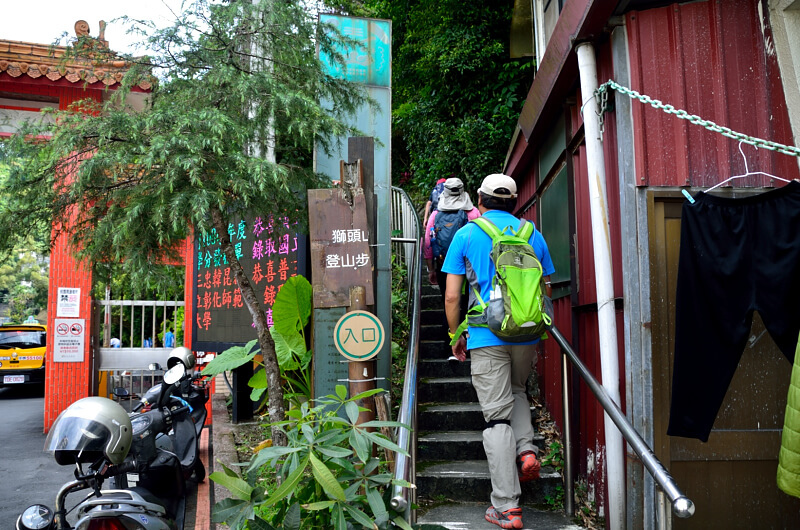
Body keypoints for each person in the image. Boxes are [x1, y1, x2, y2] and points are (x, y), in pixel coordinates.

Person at [441, 173, 555, 530]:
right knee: (518, 391)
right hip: (526, 333)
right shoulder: (530, 234)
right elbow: (546, 286)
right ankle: (527, 451)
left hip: (484, 334)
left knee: (496, 418)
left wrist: (453, 334)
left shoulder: (467, 234)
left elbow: (451, 296)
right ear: (514, 201)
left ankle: (507, 506)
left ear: (481, 198)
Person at [423, 177, 480, 345]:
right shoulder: (474, 213)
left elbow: (427, 243)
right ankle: (471, 336)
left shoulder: (436, 214)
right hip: (470, 264)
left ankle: (450, 335)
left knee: (447, 297)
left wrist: (431, 269)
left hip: (444, 264)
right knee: (471, 298)